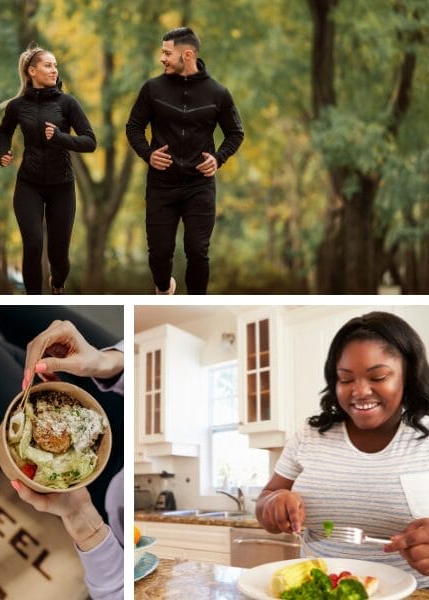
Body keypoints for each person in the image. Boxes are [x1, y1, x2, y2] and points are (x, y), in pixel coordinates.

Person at [256, 311, 429, 586]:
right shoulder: (310, 436)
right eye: (346, 380)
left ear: (407, 375)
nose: (359, 391)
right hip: (319, 589)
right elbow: (266, 498)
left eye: (379, 376)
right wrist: (273, 504)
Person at [0, 318, 124, 600]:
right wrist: (109, 362)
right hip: (115, 402)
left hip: (94, 489)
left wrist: (81, 518)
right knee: (29, 315)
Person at [126, 27, 244, 295]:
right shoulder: (152, 89)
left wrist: (218, 158)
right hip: (161, 185)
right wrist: (148, 154)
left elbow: (235, 133)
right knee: (159, 254)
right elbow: (133, 127)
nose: (162, 58)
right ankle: (163, 288)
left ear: (187, 55)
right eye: (162, 53)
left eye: (167, 53)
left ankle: (198, 299)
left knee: (197, 251)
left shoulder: (218, 93)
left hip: (199, 185)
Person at [0, 45, 97, 294]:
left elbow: (90, 142)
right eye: (48, 65)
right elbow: (5, 130)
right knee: (33, 244)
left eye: (55, 65)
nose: (54, 70)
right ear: (32, 71)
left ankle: (58, 283)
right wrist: (4, 151)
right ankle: (33, 299)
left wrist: (61, 137)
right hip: (28, 183)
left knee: (58, 255)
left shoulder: (67, 103)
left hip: (61, 185)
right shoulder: (18, 106)